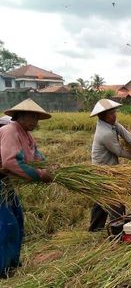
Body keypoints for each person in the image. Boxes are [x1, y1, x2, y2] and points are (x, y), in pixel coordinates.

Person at [0, 99, 54, 278]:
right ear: (20, 116)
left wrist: (51, 167)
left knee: (17, 219)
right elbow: (10, 161)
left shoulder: (26, 134)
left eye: (37, 118)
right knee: (8, 225)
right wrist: (40, 175)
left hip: (6, 183)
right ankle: (4, 270)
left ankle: (12, 262)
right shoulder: (9, 130)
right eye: (33, 117)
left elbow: (36, 156)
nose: (36, 122)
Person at [88, 99, 131, 232]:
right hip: (103, 171)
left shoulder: (111, 124)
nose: (114, 116)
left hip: (110, 168)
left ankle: (94, 230)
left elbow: (123, 131)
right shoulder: (105, 133)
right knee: (115, 201)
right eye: (111, 114)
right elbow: (119, 151)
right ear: (102, 116)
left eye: (114, 112)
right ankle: (118, 231)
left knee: (101, 200)